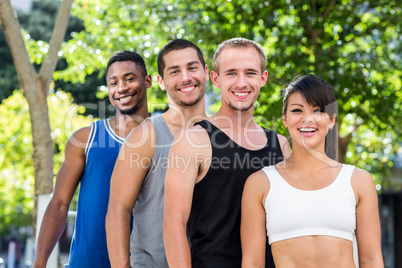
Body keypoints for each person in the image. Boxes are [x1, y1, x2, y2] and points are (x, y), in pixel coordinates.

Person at [163, 37, 291, 268]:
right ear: (216, 79)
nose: (241, 82)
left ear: (263, 78)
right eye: (231, 73)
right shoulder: (193, 140)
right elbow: (174, 224)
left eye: (250, 73)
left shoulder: (280, 145)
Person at [241, 74, 384, 267]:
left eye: (318, 110)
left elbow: (371, 259)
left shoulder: (358, 180)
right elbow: (253, 263)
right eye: (297, 110)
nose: (307, 119)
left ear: (332, 119)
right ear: (284, 119)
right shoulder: (260, 183)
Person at [33, 50, 151, 268]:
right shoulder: (86, 139)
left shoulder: (164, 138)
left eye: (129, 79)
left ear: (148, 81)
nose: (121, 88)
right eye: (113, 82)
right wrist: (39, 263)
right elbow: (59, 204)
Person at [105, 39, 209, 267]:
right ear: (161, 81)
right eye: (175, 71)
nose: (185, 77)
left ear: (207, 72)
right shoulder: (147, 135)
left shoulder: (221, 138)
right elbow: (118, 210)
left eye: (192, 68)